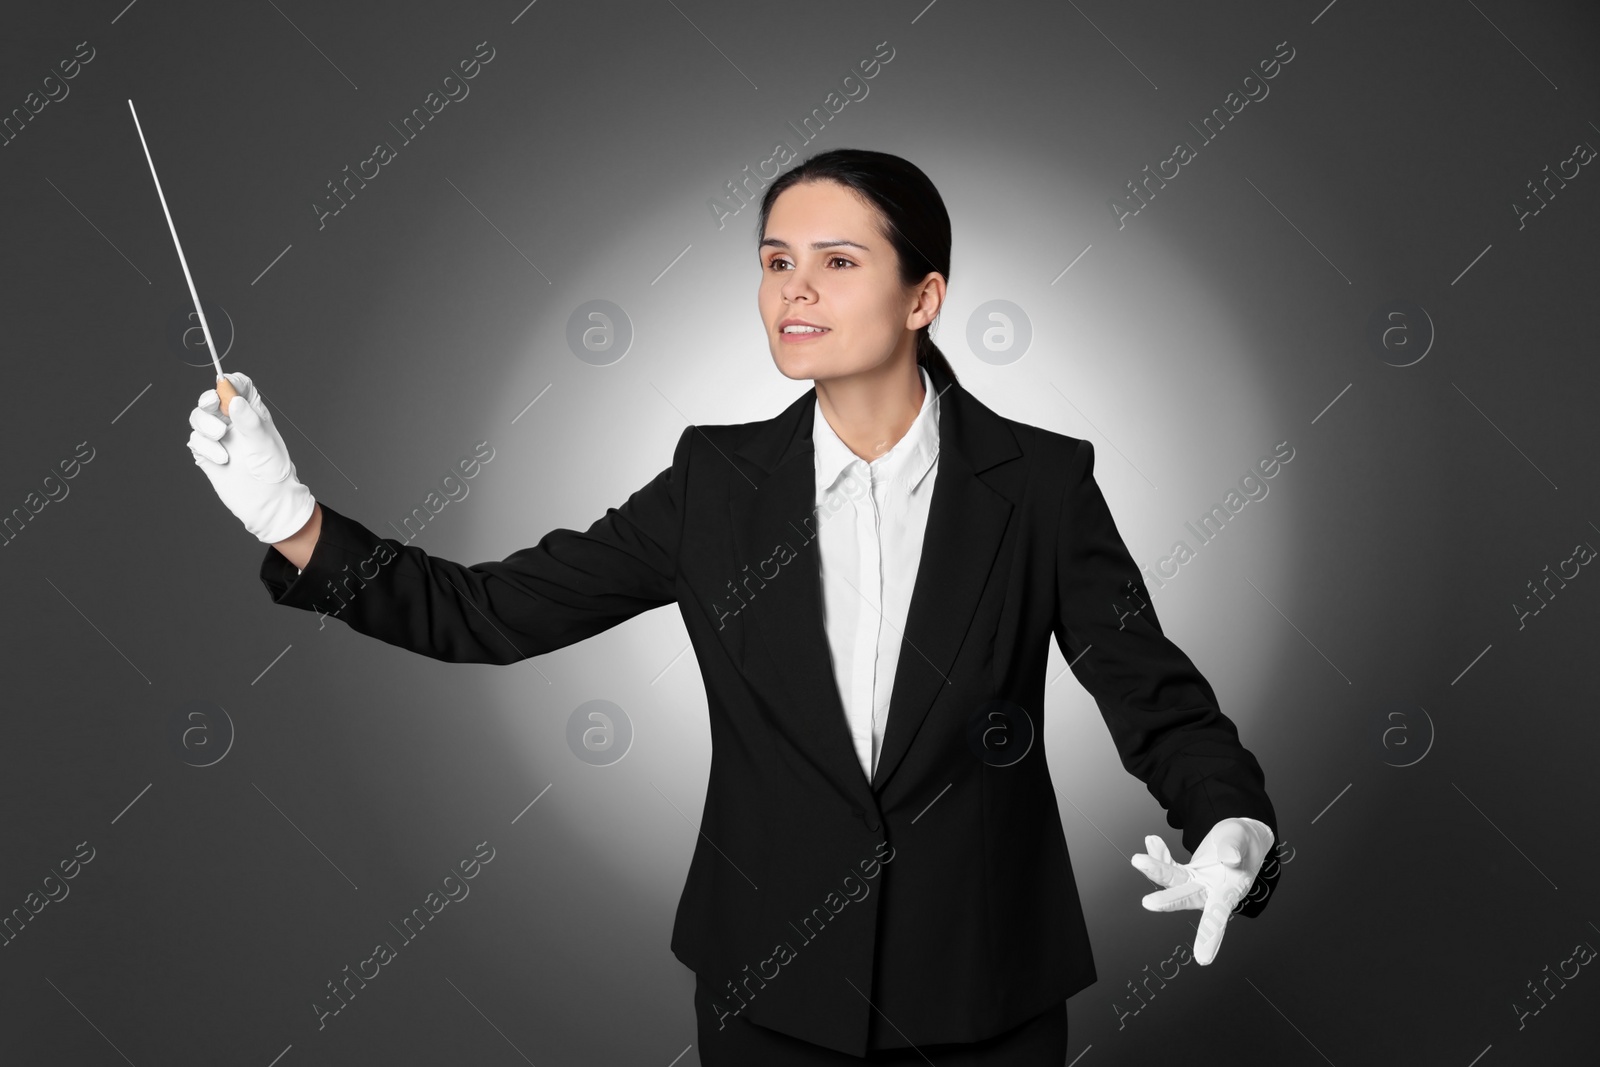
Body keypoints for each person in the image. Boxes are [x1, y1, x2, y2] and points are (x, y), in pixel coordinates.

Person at [187, 148, 1279, 1065]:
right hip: (770, 996)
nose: (792, 290)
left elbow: (1157, 701)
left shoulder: (1036, 484)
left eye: (836, 262)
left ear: (923, 297)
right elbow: (487, 613)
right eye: (774, 261)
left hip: (984, 995)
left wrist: (1232, 825)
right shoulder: (716, 484)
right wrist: (290, 516)